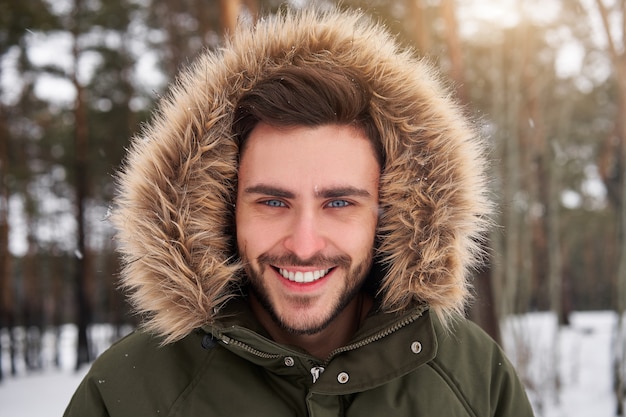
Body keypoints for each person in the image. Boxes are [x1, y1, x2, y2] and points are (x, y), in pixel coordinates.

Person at [64, 7, 535, 417]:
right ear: (222, 211)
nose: (304, 244)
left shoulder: (472, 378)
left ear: (391, 214)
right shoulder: (129, 392)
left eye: (339, 203)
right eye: (272, 202)